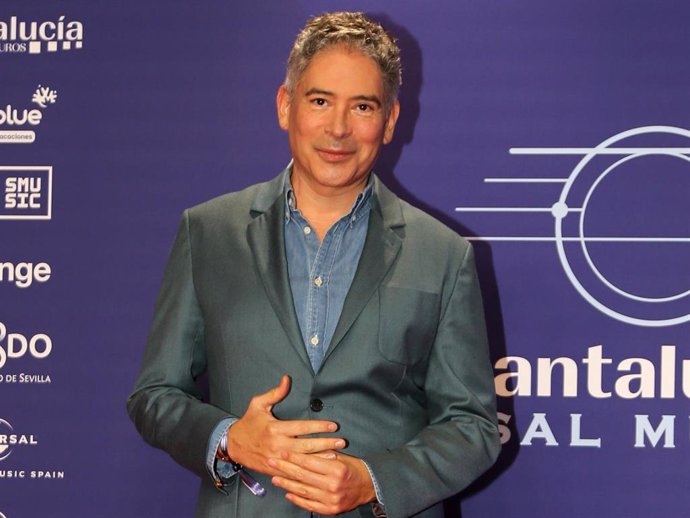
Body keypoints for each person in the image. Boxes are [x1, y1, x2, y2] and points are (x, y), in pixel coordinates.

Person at [127, 11, 500, 518]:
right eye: (320, 101)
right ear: (286, 107)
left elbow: (474, 428)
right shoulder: (209, 232)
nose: (338, 128)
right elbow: (154, 395)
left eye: (363, 107)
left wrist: (374, 481)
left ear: (389, 121)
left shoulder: (444, 253)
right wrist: (229, 438)